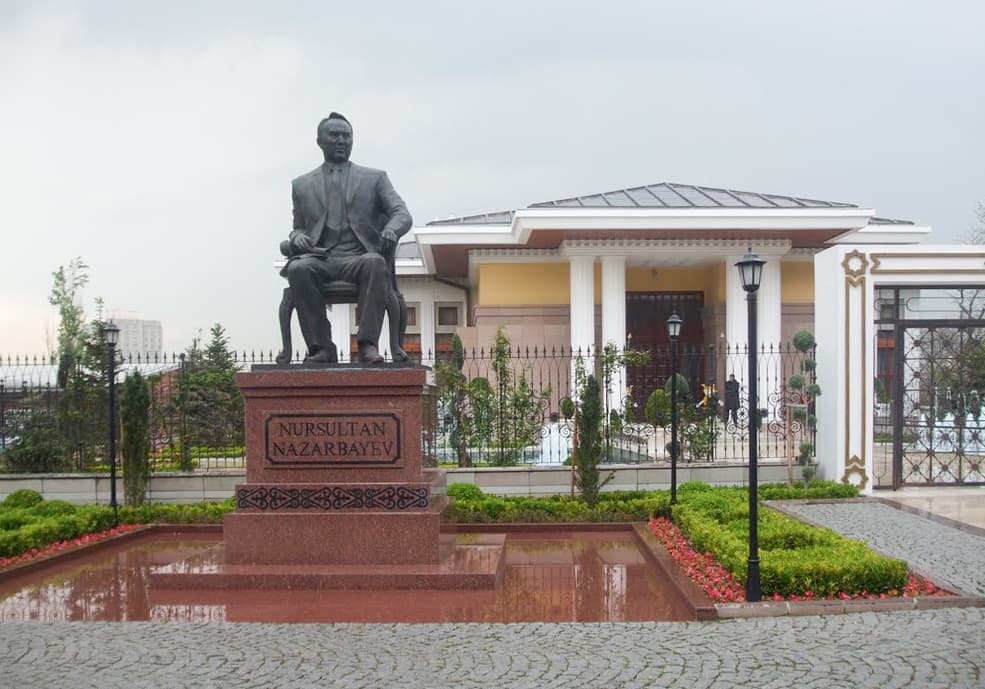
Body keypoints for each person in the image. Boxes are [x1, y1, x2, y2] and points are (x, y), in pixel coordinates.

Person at [285, 113, 412, 363]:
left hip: (359, 256)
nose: (341, 140)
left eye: (346, 136)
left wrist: (391, 230)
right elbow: (298, 226)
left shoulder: (375, 178)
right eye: (334, 135)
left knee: (375, 263)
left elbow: (402, 213)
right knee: (298, 268)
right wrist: (297, 237)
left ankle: (367, 345)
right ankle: (321, 348)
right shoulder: (301, 185)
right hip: (321, 258)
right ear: (319, 141)